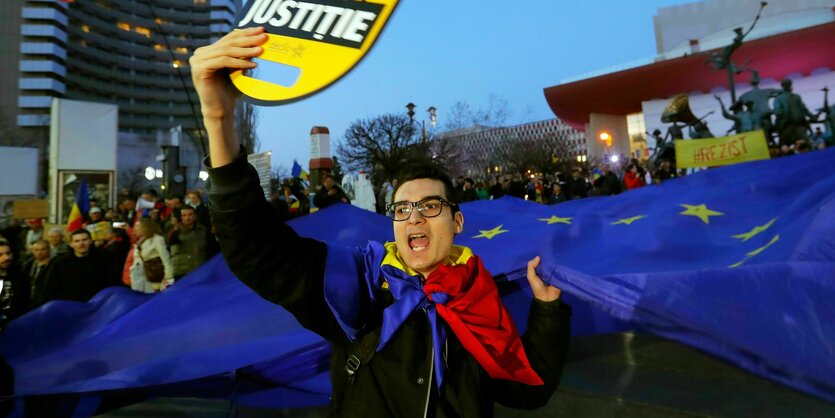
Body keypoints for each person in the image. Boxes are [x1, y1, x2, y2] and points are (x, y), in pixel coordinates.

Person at [191, 27, 571, 417]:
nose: (414, 217)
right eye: (402, 209)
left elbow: (527, 390)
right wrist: (218, 119)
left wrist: (547, 311)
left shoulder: (480, 296)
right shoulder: (360, 285)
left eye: (430, 205)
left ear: (457, 221)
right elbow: (256, 250)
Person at [39, 229, 121, 305]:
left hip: (97, 306)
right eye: (77, 241)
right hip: (69, 308)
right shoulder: (60, 263)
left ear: (91, 241)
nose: (81, 244)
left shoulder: (103, 260)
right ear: (71, 244)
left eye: (84, 240)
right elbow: (50, 289)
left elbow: (112, 283)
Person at [168, 206, 213, 280]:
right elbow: (170, 241)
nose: (187, 218)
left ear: (195, 215)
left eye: (190, 214)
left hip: (201, 269)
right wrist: (175, 229)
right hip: (182, 271)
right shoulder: (175, 230)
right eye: (184, 215)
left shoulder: (203, 229)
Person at [129, 217, 173, 293]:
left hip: (155, 276)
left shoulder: (157, 239)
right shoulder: (140, 241)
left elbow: (166, 259)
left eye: (138, 226)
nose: (135, 229)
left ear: (146, 227)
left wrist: (168, 277)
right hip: (140, 277)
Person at [0, 240, 29, 330]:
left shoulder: (21, 276)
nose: (6, 257)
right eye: (0, 255)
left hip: (17, 327)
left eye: (8, 253)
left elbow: (25, 303)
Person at [23, 239, 52, 309]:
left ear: (48, 250)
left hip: (46, 302)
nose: (39, 252)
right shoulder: (28, 265)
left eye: (43, 249)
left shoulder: (54, 265)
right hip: (29, 301)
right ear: (32, 251)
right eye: (36, 250)